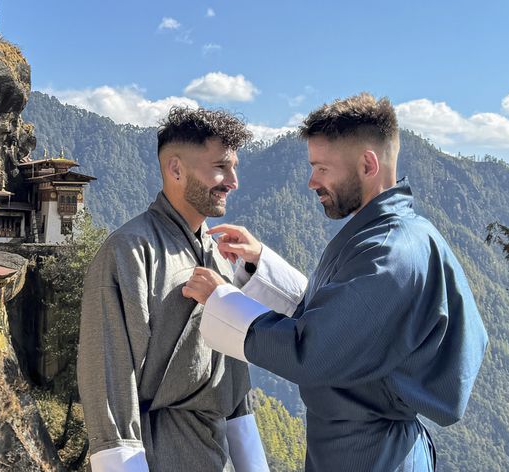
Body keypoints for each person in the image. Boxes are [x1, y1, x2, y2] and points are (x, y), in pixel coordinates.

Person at [183, 93, 488, 472]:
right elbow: (343, 319)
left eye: (322, 168)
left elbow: (313, 351)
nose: (312, 182)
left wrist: (221, 299)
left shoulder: (389, 255)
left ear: (367, 164)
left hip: (372, 457)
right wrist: (260, 263)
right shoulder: (388, 234)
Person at [78, 107, 285, 472]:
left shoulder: (220, 256)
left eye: (235, 167)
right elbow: (110, 388)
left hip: (215, 452)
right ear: (176, 169)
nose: (233, 181)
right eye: (221, 167)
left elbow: (236, 383)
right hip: (158, 453)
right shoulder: (128, 253)